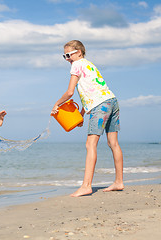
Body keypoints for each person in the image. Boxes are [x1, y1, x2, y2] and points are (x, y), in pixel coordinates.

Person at [51, 40, 124, 197]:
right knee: (113, 143)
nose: (67, 59)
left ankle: (86, 186)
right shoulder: (89, 65)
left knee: (90, 144)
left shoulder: (76, 65)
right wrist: (82, 114)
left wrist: (56, 104)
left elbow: (70, 92)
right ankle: (119, 182)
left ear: (79, 52)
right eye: (64, 56)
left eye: (69, 55)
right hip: (111, 100)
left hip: (101, 106)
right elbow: (91, 92)